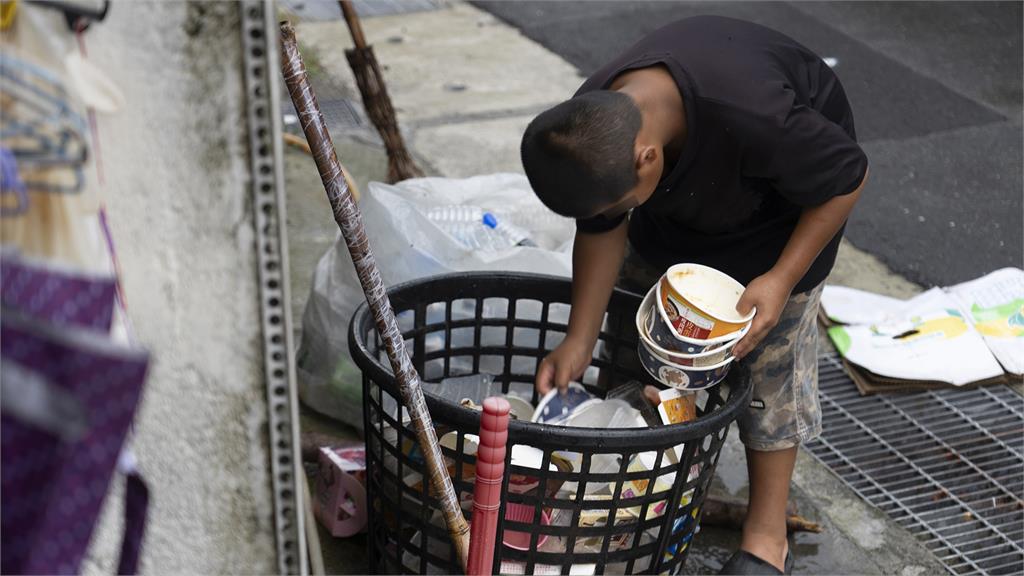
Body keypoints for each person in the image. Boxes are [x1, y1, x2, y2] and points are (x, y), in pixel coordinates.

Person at [520, 15, 868, 576]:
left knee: (767, 373)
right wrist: (578, 339)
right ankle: (638, 490)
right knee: (638, 348)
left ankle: (765, 534)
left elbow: (847, 178)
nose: (610, 216)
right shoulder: (592, 126)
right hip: (680, 217)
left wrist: (780, 280)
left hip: (779, 229)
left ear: (647, 158)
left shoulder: (755, 114)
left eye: (616, 204)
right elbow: (603, 225)